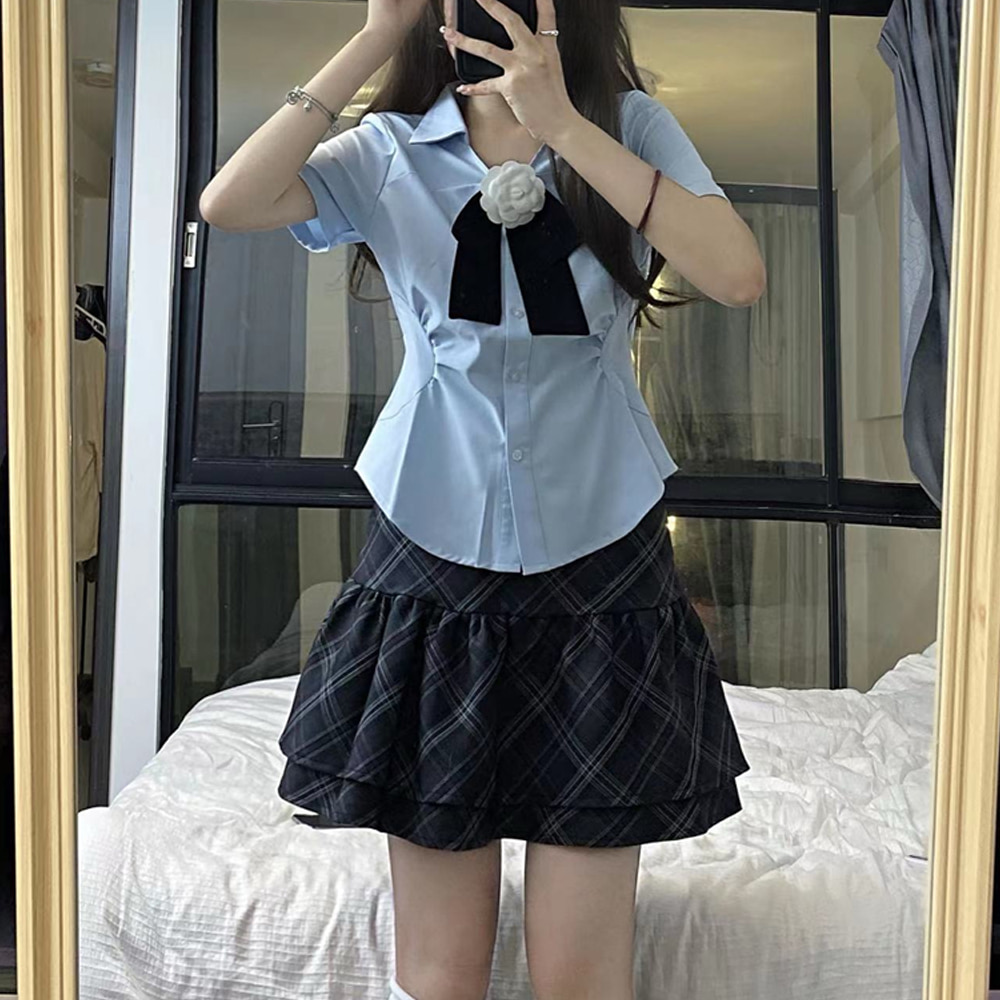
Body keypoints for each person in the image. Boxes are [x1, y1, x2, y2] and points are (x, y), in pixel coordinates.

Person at [199, 0, 765, 998]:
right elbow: (229, 202)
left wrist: (563, 127)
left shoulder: (628, 126)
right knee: (441, 971)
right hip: (431, 539)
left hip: (602, 550)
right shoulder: (387, 149)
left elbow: (737, 274)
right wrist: (376, 34)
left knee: (581, 975)